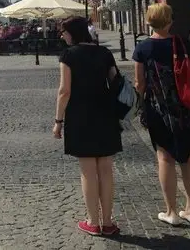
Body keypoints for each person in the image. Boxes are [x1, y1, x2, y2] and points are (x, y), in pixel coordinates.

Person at [133, 3, 190, 226]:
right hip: (186, 109)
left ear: (148, 21)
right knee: (189, 156)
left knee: (165, 158)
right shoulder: (182, 43)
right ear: (170, 20)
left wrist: (138, 106)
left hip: (159, 110)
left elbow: (140, 83)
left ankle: (171, 212)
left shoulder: (143, 48)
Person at [54, 16, 121, 236]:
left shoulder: (69, 55)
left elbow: (65, 91)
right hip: (106, 114)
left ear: (73, 33)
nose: (62, 35)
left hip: (80, 116)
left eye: (64, 31)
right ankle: (108, 222)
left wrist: (58, 121)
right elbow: (116, 82)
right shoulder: (104, 53)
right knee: (106, 170)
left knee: (88, 172)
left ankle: (93, 222)